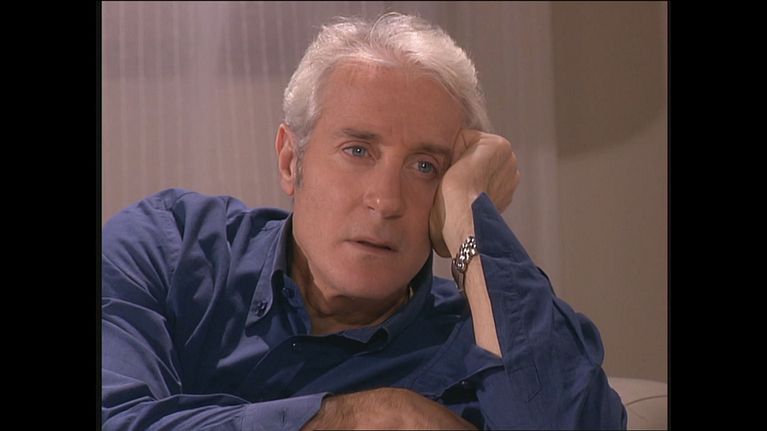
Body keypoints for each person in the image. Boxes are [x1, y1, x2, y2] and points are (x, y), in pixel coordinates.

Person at [102, 12, 626, 430]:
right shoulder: (170, 247)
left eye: (426, 167)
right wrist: (359, 417)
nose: (386, 200)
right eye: (358, 150)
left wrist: (472, 216)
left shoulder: (480, 342)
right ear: (291, 161)